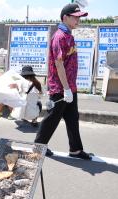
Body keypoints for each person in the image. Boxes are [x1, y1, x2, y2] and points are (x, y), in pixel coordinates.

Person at [34, 3, 93, 160]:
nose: (78, 20)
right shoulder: (60, 37)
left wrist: (70, 88)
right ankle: (39, 146)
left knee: (73, 118)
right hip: (60, 87)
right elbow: (59, 64)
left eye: (79, 17)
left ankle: (75, 149)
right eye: (75, 17)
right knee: (52, 118)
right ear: (65, 17)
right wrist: (66, 89)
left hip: (69, 87)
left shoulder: (69, 36)